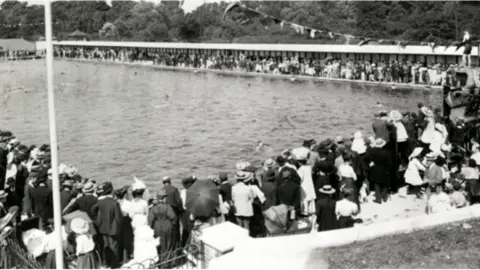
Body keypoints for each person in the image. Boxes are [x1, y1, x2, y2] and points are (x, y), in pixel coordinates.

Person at [92, 182, 123, 269]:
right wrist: (118, 225)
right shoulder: (115, 202)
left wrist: (97, 220)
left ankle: (106, 262)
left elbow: (93, 210)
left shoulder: (100, 201)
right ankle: (114, 265)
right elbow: (119, 218)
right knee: (114, 246)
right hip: (113, 228)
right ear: (111, 191)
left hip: (103, 227)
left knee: (106, 245)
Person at [148, 188, 178, 260]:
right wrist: (173, 224)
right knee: (168, 242)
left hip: (157, 226)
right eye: (165, 197)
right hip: (167, 225)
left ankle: (160, 261)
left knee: (159, 243)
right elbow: (173, 217)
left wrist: (152, 227)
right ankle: (168, 261)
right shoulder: (167, 206)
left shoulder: (153, 208)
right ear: (163, 198)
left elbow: (150, 220)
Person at [365, 138, 392, 204]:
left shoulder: (372, 151)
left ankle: (378, 199)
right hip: (384, 169)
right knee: (385, 184)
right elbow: (390, 162)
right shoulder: (386, 153)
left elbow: (366, 158)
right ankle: (384, 197)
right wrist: (388, 170)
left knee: (376, 185)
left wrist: (371, 163)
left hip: (375, 169)